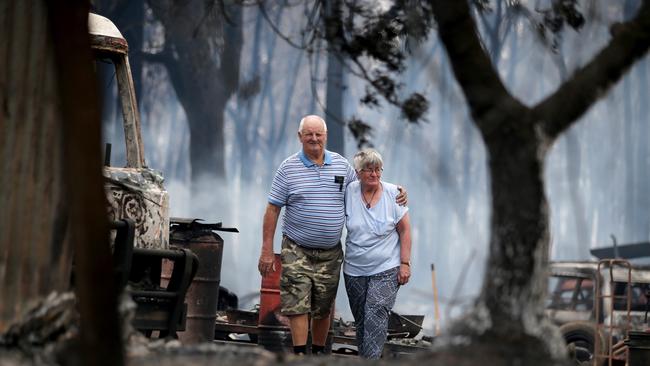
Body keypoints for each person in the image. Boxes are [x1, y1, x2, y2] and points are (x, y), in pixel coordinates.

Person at [258, 115, 406, 355]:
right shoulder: (287, 169)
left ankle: (317, 353)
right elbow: (273, 209)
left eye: (319, 134)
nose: (314, 139)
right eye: (309, 134)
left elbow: (367, 181)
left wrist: (396, 191)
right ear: (300, 137)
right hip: (296, 247)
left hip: (330, 252)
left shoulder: (341, 166)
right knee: (297, 303)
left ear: (325, 136)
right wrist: (266, 249)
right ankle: (299, 354)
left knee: (323, 306)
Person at [343, 148, 412, 359]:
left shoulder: (394, 194)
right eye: (368, 170)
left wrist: (405, 263)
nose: (374, 174)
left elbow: (405, 230)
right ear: (358, 172)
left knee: (375, 312)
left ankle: (371, 360)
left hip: (386, 268)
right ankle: (366, 359)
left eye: (378, 170)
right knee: (362, 319)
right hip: (354, 269)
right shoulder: (348, 191)